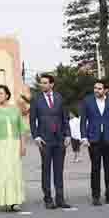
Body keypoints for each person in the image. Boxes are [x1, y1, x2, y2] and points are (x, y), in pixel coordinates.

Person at [29, 74, 72, 209]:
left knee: (59, 170)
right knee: (46, 169)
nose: (42, 85)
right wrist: (36, 136)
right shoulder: (36, 99)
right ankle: (48, 198)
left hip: (59, 139)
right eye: (41, 83)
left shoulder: (59, 98)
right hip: (45, 140)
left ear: (51, 84)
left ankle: (60, 198)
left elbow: (65, 118)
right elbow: (32, 120)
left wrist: (68, 135)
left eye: (45, 83)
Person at [79, 81, 109, 206]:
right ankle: (96, 196)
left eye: (99, 88)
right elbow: (83, 120)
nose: (96, 90)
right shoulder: (87, 101)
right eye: (95, 88)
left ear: (105, 90)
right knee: (95, 169)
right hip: (94, 139)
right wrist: (84, 137)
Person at [0, 85, 26, 212]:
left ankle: (15, 201)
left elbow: (21, 129)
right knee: (2, 172)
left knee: (14, 172)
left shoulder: (15, 110)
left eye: (1, 93)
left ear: (7, 95)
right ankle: (3, 200)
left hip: (14, 145)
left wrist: (23, 145)